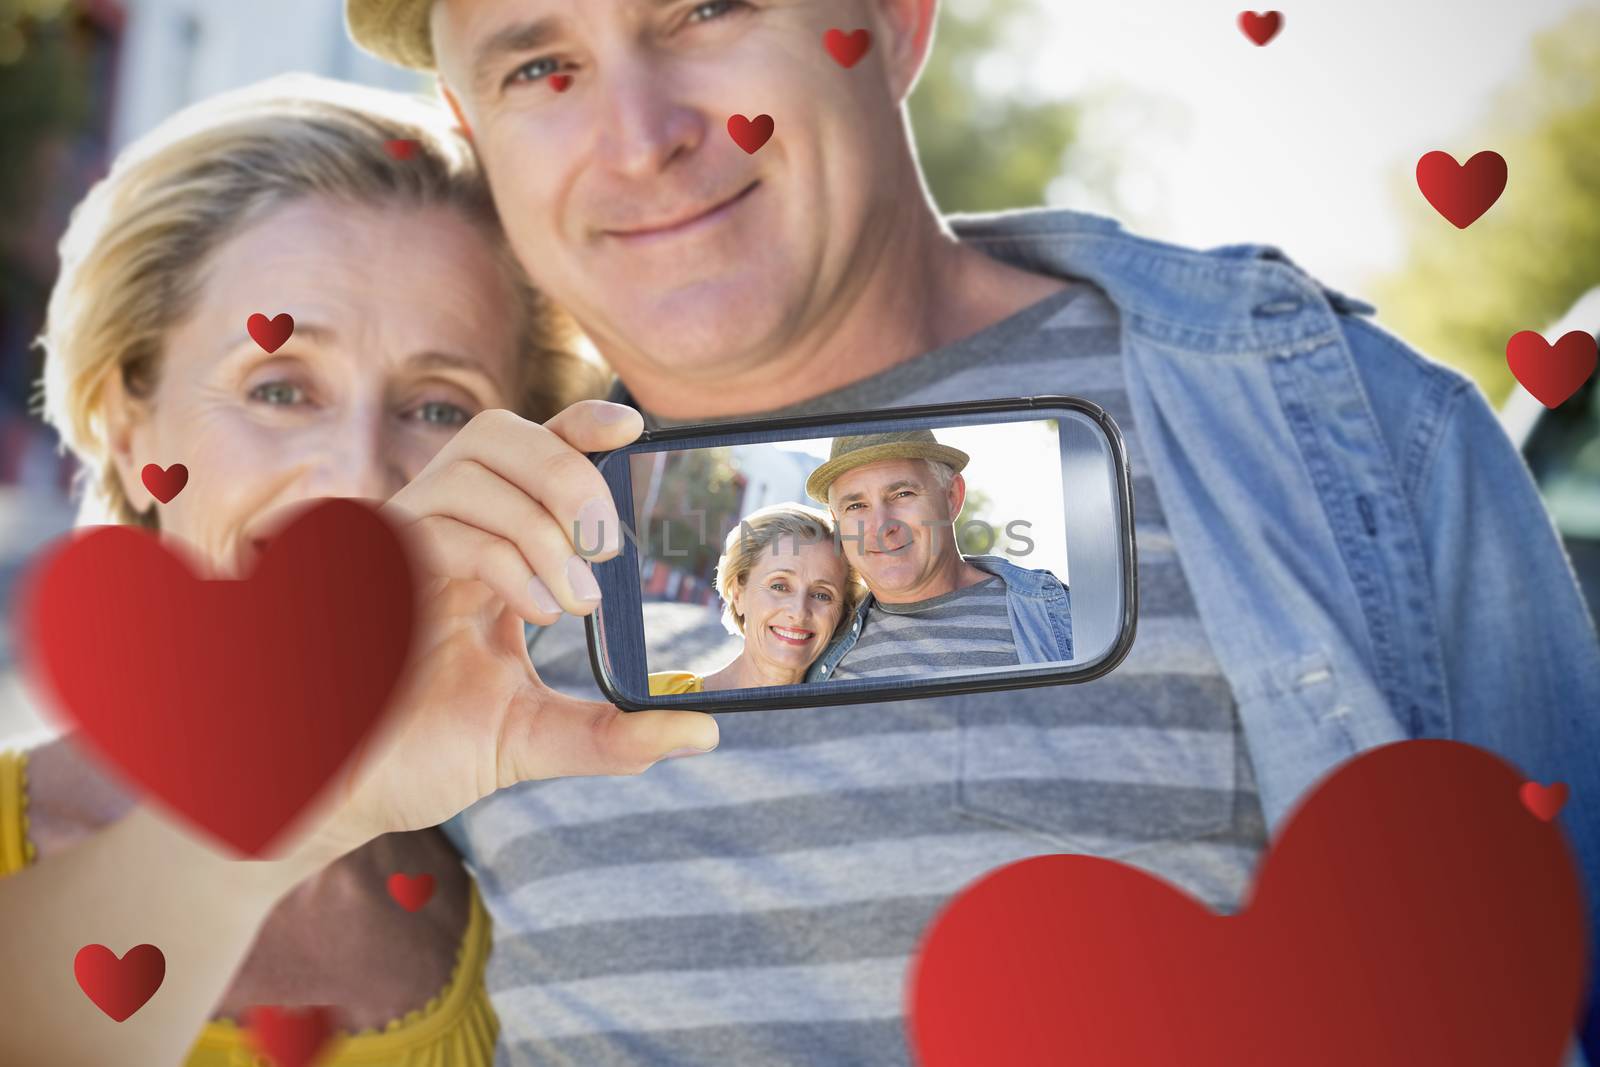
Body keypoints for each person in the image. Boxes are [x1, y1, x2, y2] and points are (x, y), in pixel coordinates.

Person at [345, 1, 1600, 1064]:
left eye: (708, 5)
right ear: (473, 129)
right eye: (538, 67)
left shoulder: (1345, 436)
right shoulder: (462, 575)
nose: (640, 138)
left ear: (892, 22)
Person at [0, 73, 719, 1066]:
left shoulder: (560, 914)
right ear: (130, 429)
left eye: (438, 407)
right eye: (281, 387)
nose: (354, 479)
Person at [799, 429, 1071, 683]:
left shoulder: (1059, 615)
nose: (882, 527)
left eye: (902, 494)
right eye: (856, 506)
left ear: (952, 497)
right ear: (837, 522)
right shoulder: (811, 649)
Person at [648, 503, 863, 694]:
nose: (798, 613)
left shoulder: (847, 723)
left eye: (821, 595)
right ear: (738, 593)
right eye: (779, 586)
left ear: (842, 612)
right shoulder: (657, 697)